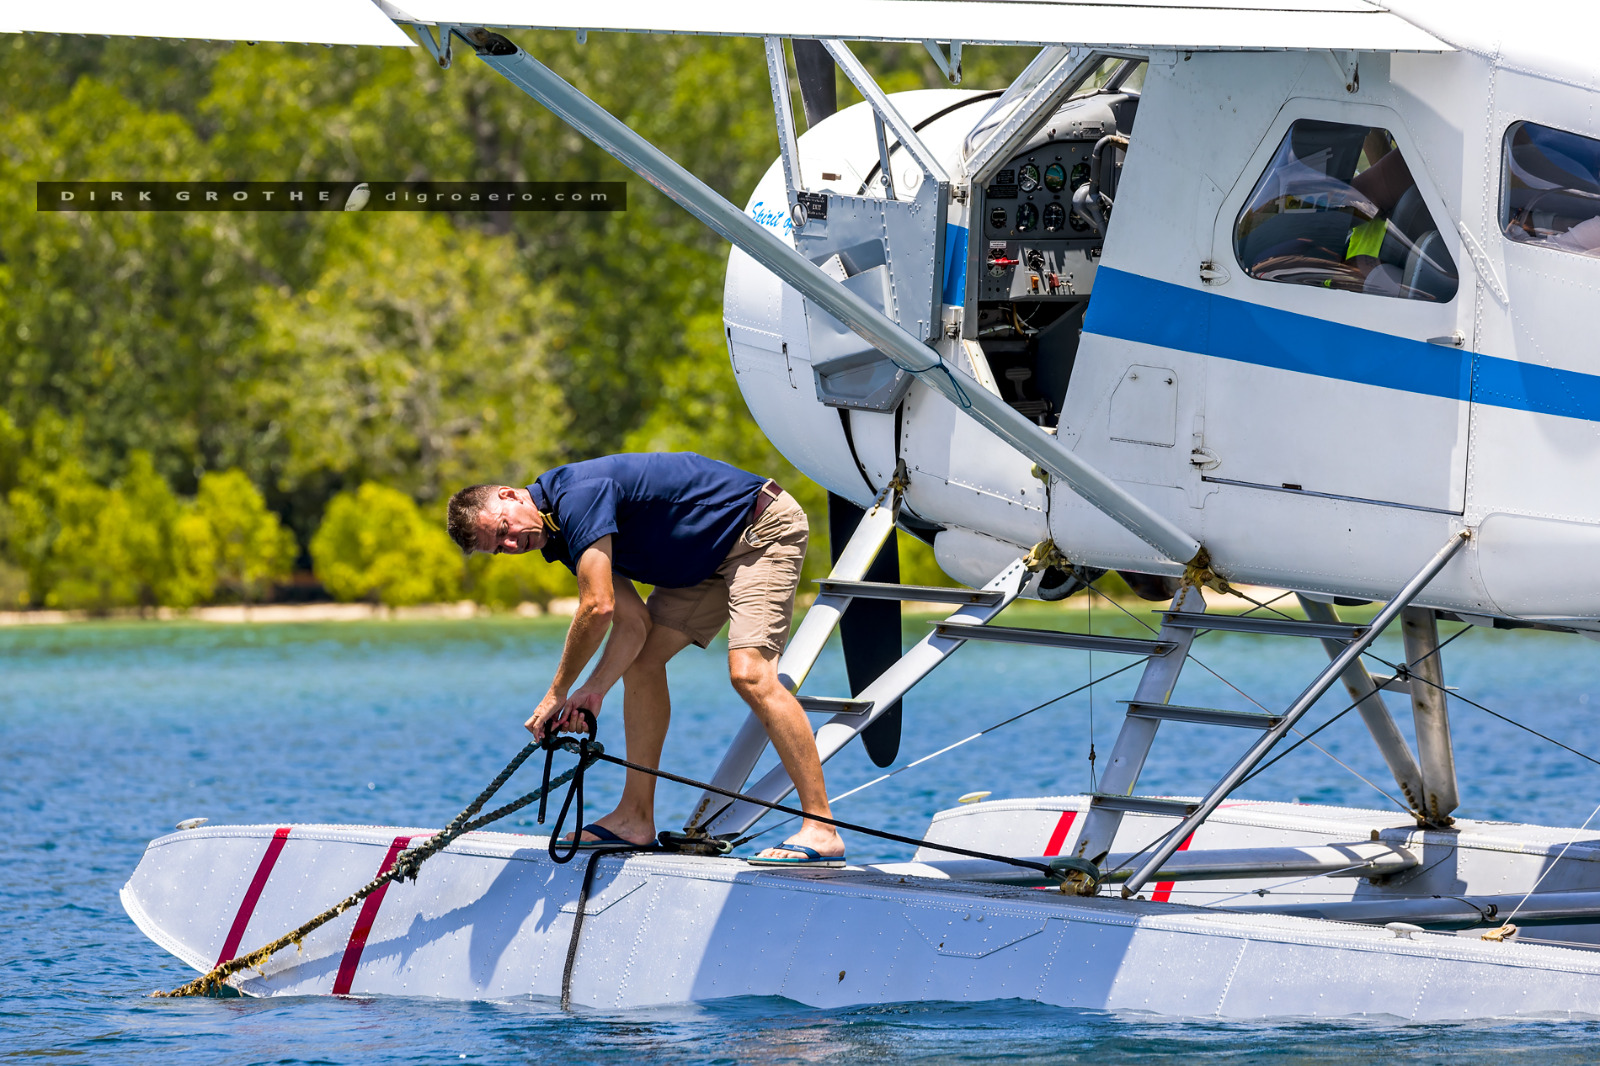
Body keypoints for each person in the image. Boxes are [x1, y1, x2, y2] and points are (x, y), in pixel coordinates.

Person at [445, 452, 845, 867]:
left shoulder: (577, 496)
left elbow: (597, 607)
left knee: (750, 674)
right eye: (500, 548)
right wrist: (593, 690)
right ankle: (635, 820)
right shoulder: (558, 533)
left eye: (504, 529)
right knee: (641, 662)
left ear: (509, 495)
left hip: (757, 528)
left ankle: (822, 828)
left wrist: (556, 694)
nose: (512, 544)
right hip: (702, 561)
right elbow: (632, 623)